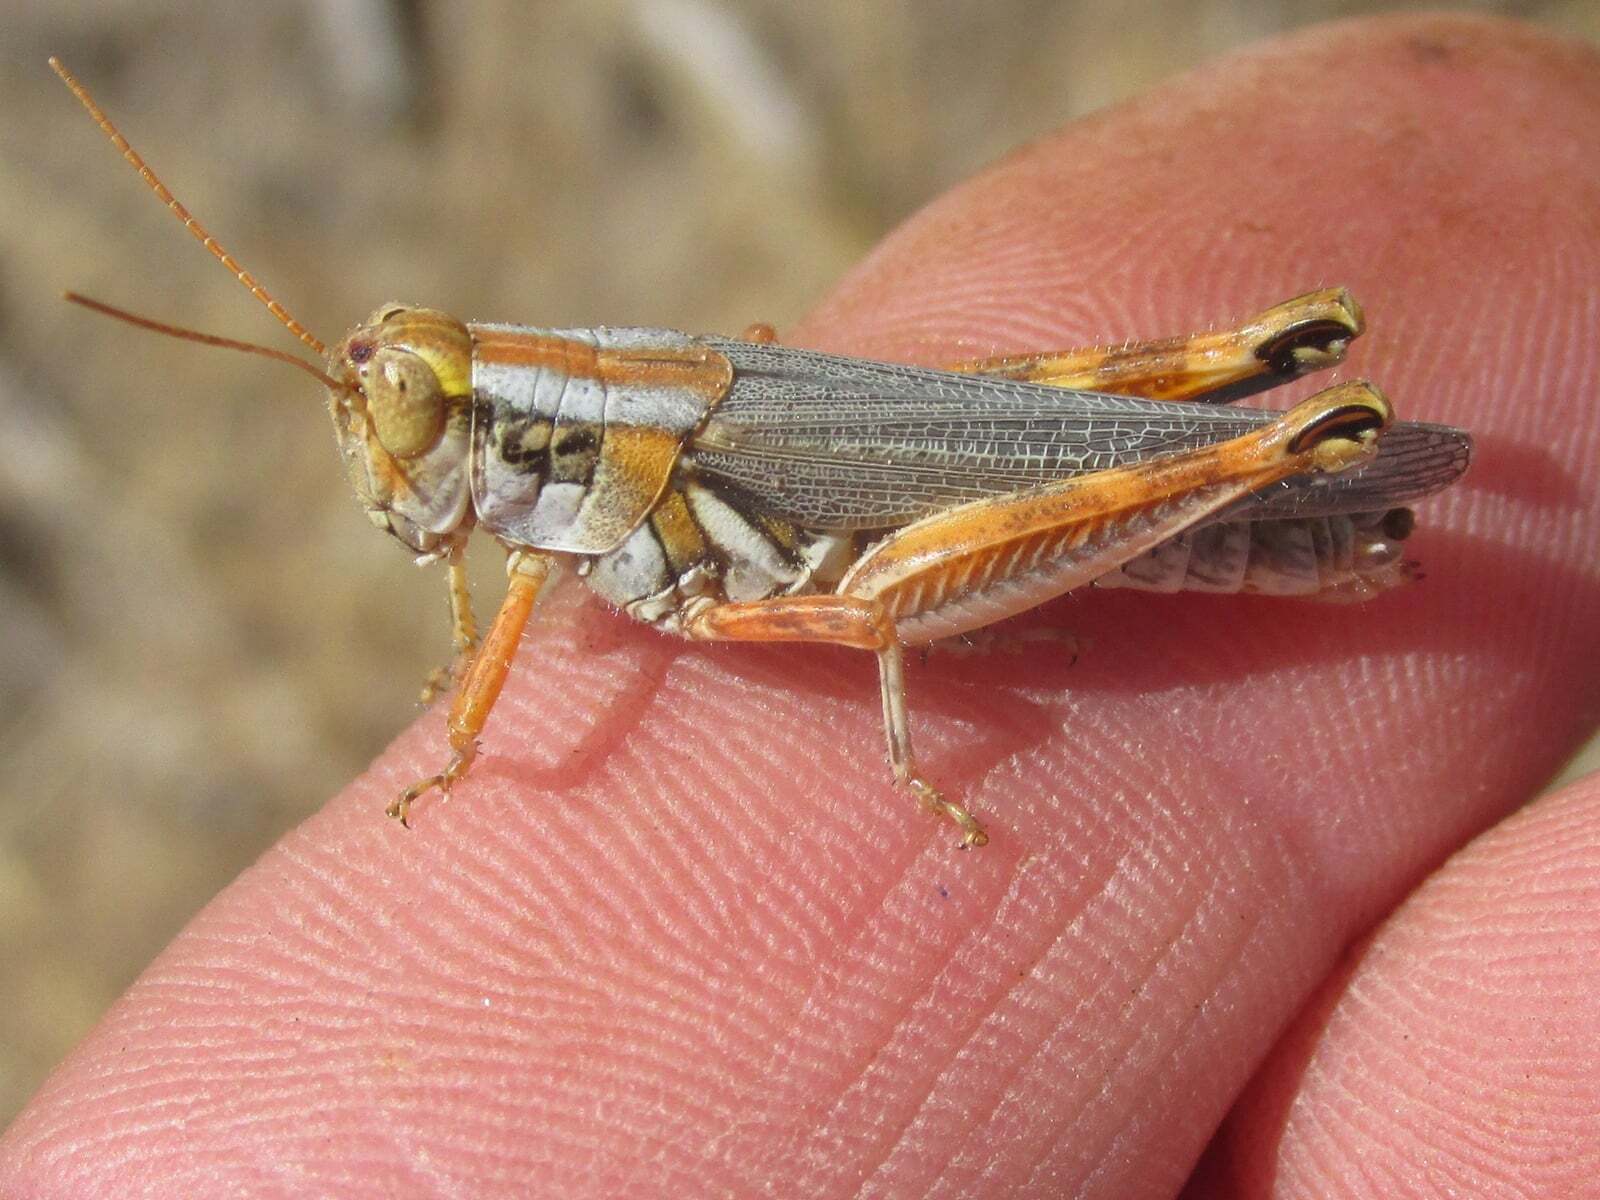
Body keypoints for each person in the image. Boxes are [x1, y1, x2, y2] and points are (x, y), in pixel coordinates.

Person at [4, 13, 1598, 1197]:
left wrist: (912, 772)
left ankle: (1287, 460)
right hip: (870, 477)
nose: (398, 456)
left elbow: (849, 604)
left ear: (501, 418)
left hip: (968, 533)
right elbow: (490, 569)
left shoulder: (606, 462)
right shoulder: (574, 436)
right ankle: (1273, 451)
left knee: (876, 601)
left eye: (415, 409)